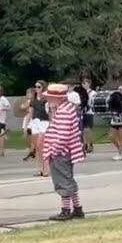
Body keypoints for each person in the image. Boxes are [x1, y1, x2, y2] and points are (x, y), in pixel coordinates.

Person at [43, 83, 86, 220]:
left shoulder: (63, 111)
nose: (48, 100)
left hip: (61, 152)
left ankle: (66, 210)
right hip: (66, 150)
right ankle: (77, 208)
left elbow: (62, 135)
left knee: (62, 182)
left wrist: (54, 151)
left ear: (58, 98)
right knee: (68, 180)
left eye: (50, 97)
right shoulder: (67, 108)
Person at [107, 83, 122, 161]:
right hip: (115, 119)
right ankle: (120, 148)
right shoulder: (114, 98)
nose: (119, 91)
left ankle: (120, 154)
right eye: (118, 89)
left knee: (121, 137)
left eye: (121, 89)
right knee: (111, 137)